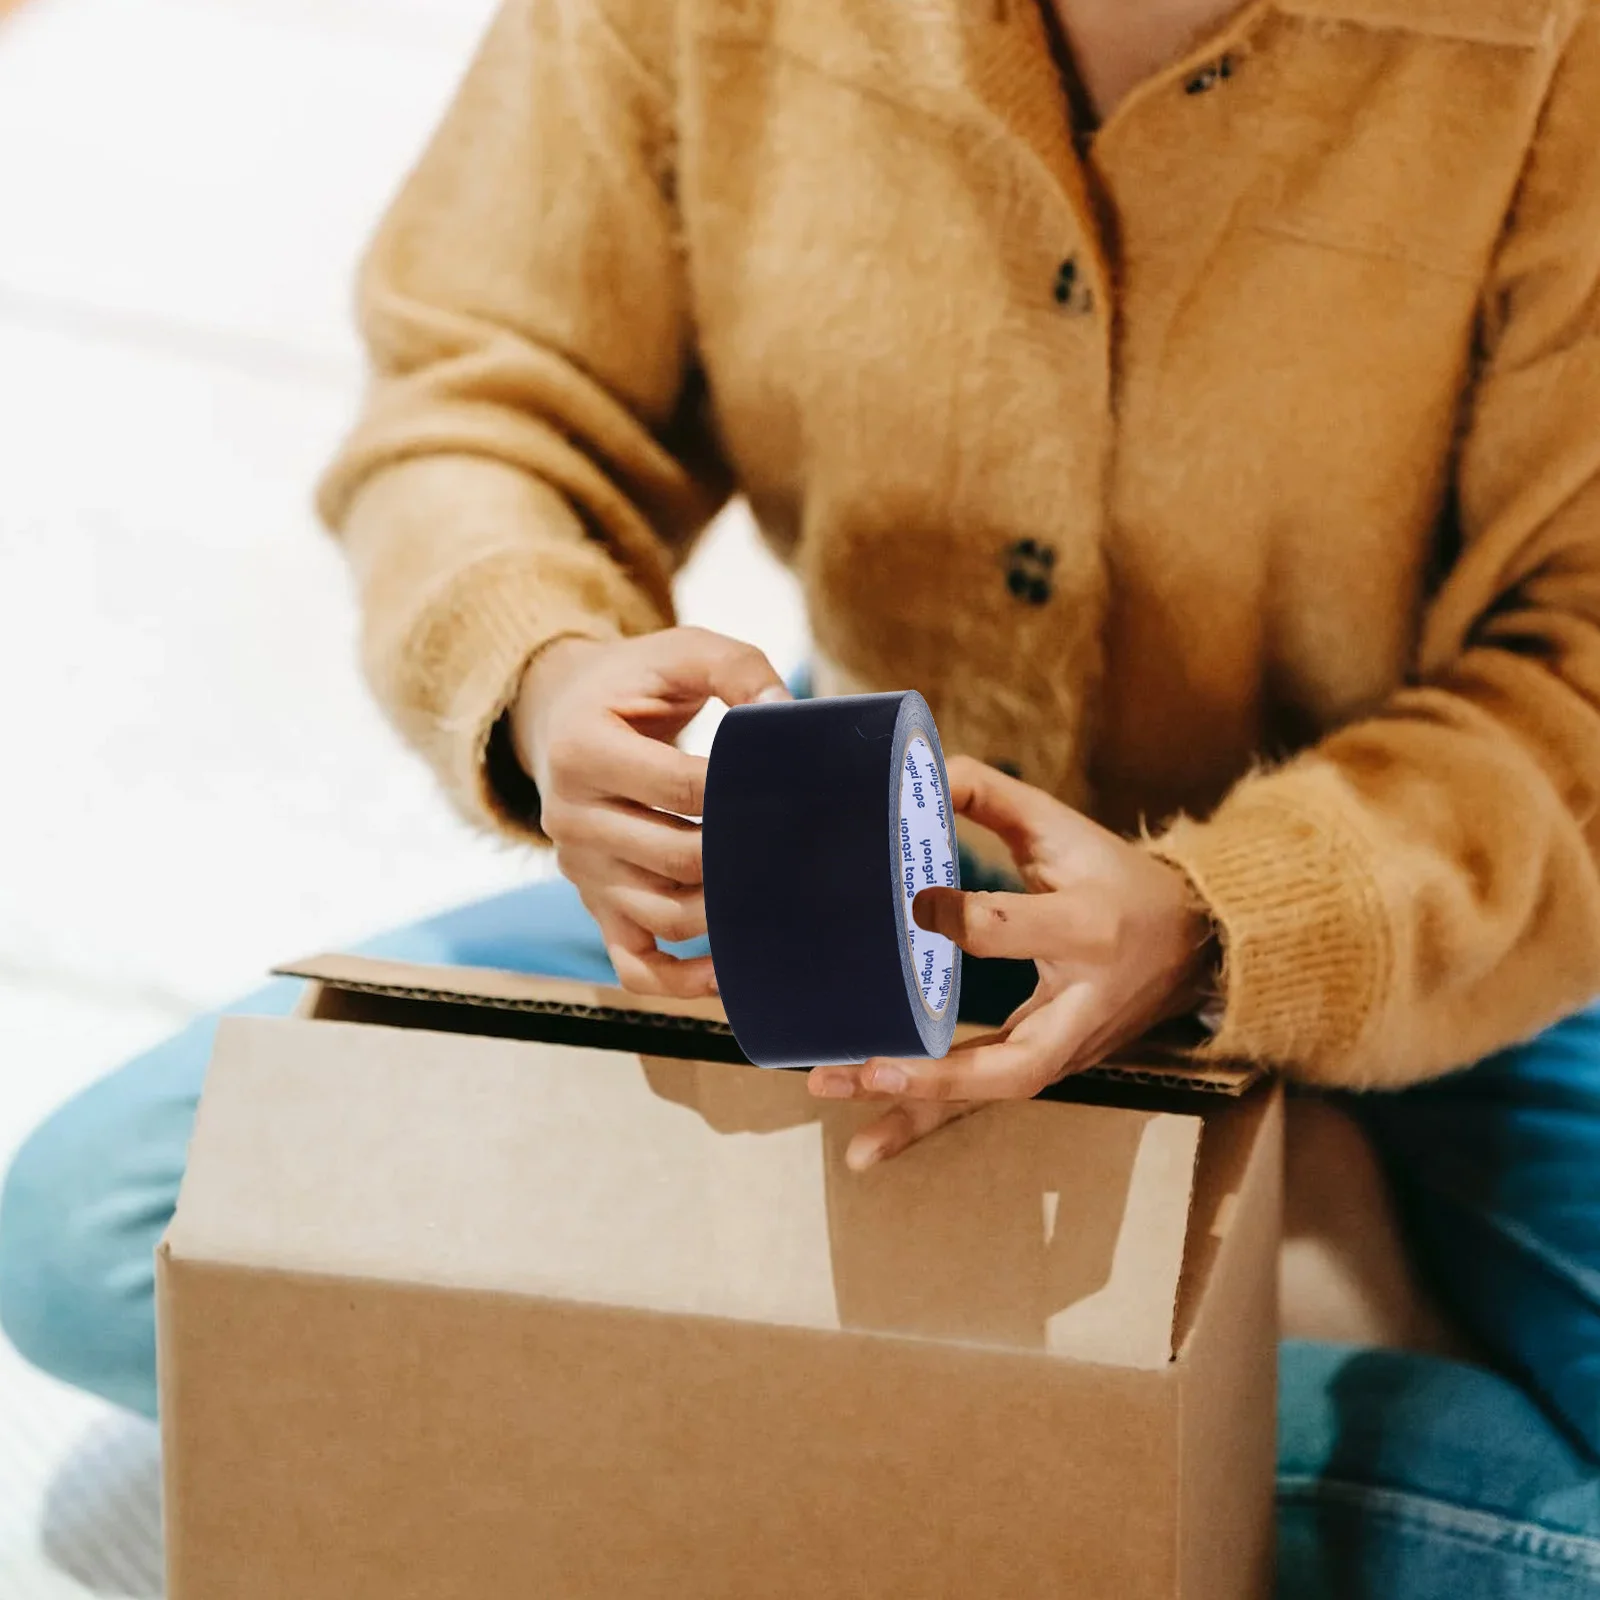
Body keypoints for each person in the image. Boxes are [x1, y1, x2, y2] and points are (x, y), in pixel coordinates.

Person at [6, 0, 1600, 1590]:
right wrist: (544, 671)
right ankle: (1188, 1316)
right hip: (870, 888)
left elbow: (1576, 676)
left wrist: (1225, 928)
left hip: (1464, 923)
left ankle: (1101, 1304)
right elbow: (485, 390)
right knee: (104, 1225)